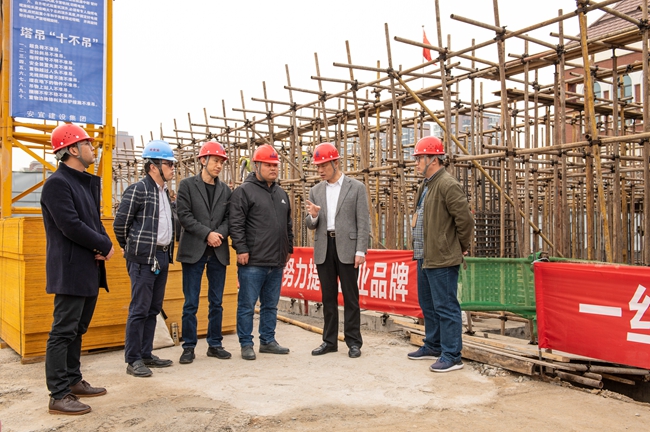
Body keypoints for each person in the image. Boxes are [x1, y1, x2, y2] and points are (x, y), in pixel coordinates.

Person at [41, 123, 115, 415]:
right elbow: (70, 225)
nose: (93, 149)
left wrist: (104, 243)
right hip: (70, 268)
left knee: (77, 329)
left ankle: (73, 380)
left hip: (87, 267)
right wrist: (103, 244)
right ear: (72, 149)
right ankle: (58, 394)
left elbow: (92, 223)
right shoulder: (58, 184)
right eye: (87, 144)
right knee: (63, 331)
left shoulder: (83, 182)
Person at [407, 136, 474, 372]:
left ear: (433, 159)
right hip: (424, 255)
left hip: (442, 257)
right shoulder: (425, 186)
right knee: (428, 305)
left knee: (446, 306)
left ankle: (452, 355)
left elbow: (465, 220)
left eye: (419, 158)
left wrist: (459, 246)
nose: (416, 163)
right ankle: (433, 345)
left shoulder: (447, 184)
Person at [114, 140, 177, 377]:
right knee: (139, 309)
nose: (172, 168)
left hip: (161, 256)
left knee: (153, 308)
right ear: (153, 166)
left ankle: (146, 353)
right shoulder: (138, 190)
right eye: (168, 164)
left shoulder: (164, 193)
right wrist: (130, 248)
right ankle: (133, 360)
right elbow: (120, 225)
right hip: (143, 258)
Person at [305, 142, 370, 358]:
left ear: (336, 163)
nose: (320, 170)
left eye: (324, 165)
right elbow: (310, 224)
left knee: (351, 297)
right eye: (318, 166)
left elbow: (363, 222)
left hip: (348, 248)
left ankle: (354, 342)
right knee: (328, 297)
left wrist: (360, 250)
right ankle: (329, 341)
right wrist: (314, 216)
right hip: (325, 247)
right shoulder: (316, 190)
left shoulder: (356, 187)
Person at [229, 144, 294, 360]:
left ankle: (267, 340)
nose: (273, 168)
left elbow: (288, 224)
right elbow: (236, 224)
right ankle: (246, 343)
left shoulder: (281, 193)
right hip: (253, 261)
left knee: (270, 305)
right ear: (256, 165)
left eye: (275, 165)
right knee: (247, 305)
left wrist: (289, 247)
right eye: (268, 165)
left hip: (276, 261)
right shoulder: (244, 191)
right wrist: (241, 248)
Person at [176, 141, 232, 364]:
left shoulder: (225, 190)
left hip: (218, 251)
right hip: (194, 250)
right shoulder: (187, 186)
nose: (219, 165)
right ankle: (189, 346)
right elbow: (184, 215)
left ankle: (215, 344)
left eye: (221, 162)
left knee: (216, 302)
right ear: (203, 160)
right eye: (215, 161)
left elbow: (230, 218)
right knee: (191, 302)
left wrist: (218, 235)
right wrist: (207, 233)